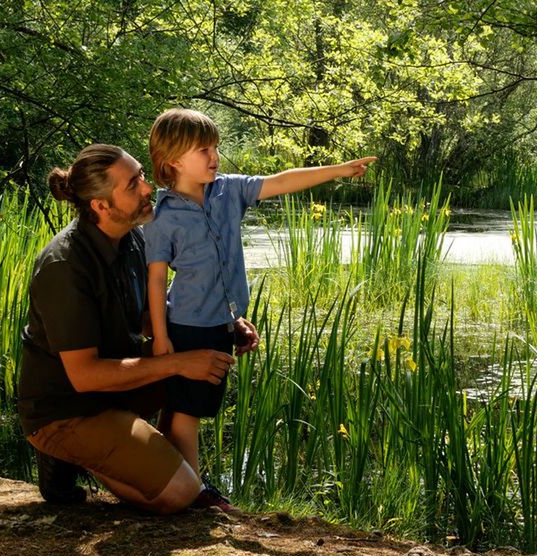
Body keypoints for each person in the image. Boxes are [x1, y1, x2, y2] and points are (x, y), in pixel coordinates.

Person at [144, 108, 375, 510]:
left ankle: (179, 484)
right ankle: (194, 493)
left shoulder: (228, 191)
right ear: (174, 161)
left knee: (190, 408)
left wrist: (336, 170)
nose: (214, 156)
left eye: (215, 147)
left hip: (219, 322)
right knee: (186, 413)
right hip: (187, 326)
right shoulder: (163, 217)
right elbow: (157, 280)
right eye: (204, 149)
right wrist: (162, 338)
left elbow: (283, 181)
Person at [17, 143, 258, 513]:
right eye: (132, 184)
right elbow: (84, 376)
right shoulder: (63, 265)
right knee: (178, 494)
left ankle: (169, 466)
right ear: (100, 206)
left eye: (142, 175)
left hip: (114, 389)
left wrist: (224, 322)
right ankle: (70, 453)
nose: (147, 188)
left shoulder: (134, 238)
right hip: (66, 409)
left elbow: (155, 315)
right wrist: (178, 364)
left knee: (201, 348)